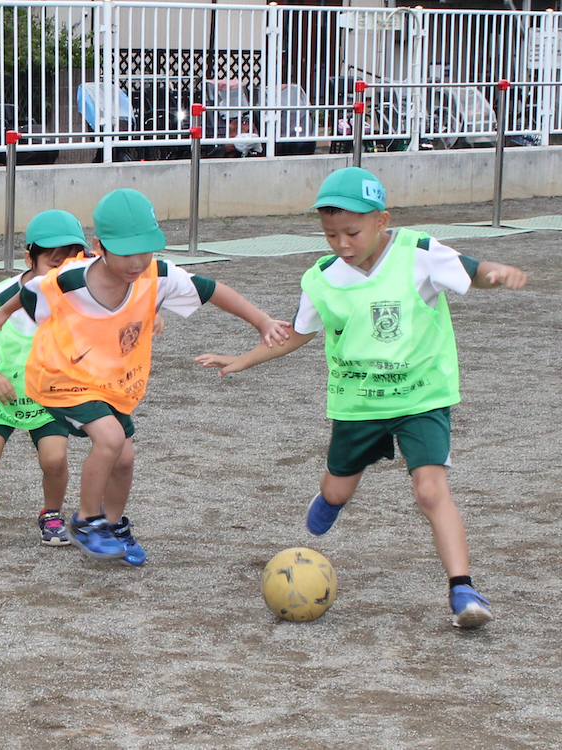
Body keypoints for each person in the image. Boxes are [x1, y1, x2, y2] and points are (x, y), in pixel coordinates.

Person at [196, 166, 528, 629]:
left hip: (420, 396)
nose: (342, 244)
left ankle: (463, 589)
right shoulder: (323, 277)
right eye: (330, 234)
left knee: (431, 490)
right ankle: (331, 500)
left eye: (351, 232)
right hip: (358, 404)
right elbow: (298, 333)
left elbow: (472, 270)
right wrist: (243, 359)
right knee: (336, 488)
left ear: (381, 220)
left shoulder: (419, 252)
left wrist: (496, 273)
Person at [0, 189, 291, 566]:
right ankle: (85, 520)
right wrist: (3, 312)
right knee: (111, 438)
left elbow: (212, 290)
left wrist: (261, 321)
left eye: (146, 250)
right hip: (61, 377)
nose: (137, 262)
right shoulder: (72, 279)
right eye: (127, 252)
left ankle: (113, 527)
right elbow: (31, 288)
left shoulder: (157, 275)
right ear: (99, 246)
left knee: (125, 457)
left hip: (112, 381)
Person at [0, 211, 89, 547]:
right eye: (53, 264)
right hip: (2, 395)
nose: (60, 273)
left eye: (69, 265)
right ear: (29, 257)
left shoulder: (79, 295)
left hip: (50, 396)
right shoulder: (3, 295)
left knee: (54, 459)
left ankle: (52, 515)